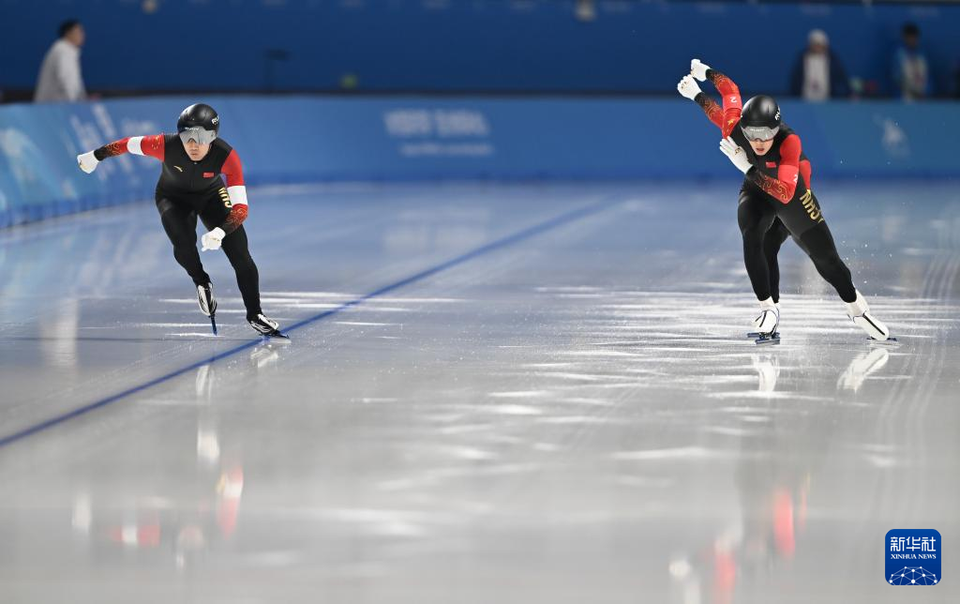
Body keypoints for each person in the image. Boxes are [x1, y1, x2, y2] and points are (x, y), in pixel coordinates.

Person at [676, 59, 891, 342]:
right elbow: (729, 92)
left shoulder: (790, 142)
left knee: (826, 260)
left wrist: (748, 168)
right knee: (754, 235)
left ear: (776, 130)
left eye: (766, 134)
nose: (758, 141)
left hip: (793, 193)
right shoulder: (735, 128)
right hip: (757, 188)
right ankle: (769, 310)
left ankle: (857, 309)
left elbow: (786, 194)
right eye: (752, 134)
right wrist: (701, 83)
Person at [75, 103, 285, 338]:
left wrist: (220, 232)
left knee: (240, 254)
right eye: (187, 137)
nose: (194, 145)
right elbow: (126, 144)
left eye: (202, 137)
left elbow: (241, 209)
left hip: (211, 197)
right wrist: (95, 156)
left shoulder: (227, 156)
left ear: (213, 137)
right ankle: (201, 281)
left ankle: (255, 314)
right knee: (183, 245)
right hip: (172, 198)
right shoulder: (164, 145)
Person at [34, 20, 88, 103]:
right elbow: (66, 80)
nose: (82, 35)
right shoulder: (63, 51)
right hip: (54, 108)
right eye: (79, 32)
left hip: (57, 107)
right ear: (68, 33)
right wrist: (74, 105)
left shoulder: (67, 50)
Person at [789, 29, 850, 101]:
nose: (817, 47)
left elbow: (841, 80)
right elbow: (795, 79)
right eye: (815, 44)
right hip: (805, 100)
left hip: (827, 101)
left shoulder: (833, 61)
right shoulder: (802, 59)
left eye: (820, 44)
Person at [893, 23, 930, 101]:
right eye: (910, 37)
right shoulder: (899, 55)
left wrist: (925, 92)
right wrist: (911, 91)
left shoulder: (922, 54)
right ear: (904, 38)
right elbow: (897, 78)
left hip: (922, 97)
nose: (912, 40)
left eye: (915, 37)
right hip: (904, 97)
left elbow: (927, 77)